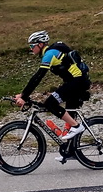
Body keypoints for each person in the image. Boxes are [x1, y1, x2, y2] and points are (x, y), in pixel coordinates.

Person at [15, 30, 92, 162]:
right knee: (69, 114)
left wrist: (24, 95)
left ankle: (77, 126)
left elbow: (38, 77)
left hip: (77, 82)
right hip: (75, 82)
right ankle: (71, 151)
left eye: (32, 45)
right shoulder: (50, 53)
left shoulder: (49, 54)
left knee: (50, 103)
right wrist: (24, 95)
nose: (31, 48)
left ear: (40, 44)